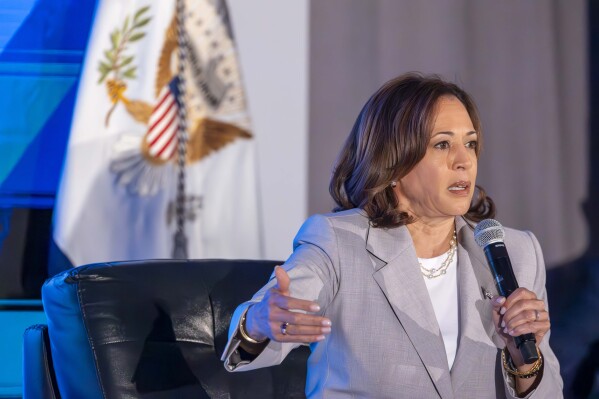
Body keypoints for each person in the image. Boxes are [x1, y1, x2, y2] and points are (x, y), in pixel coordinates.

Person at [221, 73, 563, 398]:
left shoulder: (517, 252)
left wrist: (525, 361)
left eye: (470, 143)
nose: (464, 161)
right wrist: (259, 323)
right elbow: (278, 310)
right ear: (395, 163)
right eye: (442, 144)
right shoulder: (338, 242)